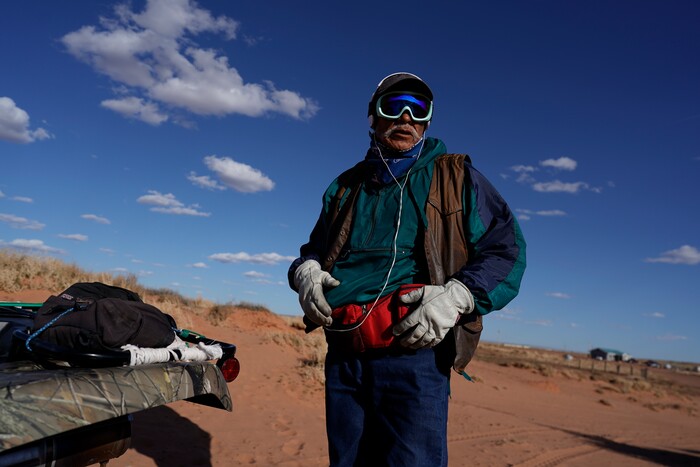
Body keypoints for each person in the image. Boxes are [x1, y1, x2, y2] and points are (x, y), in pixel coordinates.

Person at [288, 72, 526, 466]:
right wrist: (305, 271)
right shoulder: (346, 187)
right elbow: (313, 249)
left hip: (413, 358)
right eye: (393, 106)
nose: (405, 118)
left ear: (428, 121)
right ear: (372, 116)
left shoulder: (456, 176)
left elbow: (507, 250)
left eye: (418, 109)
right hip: (345, 356)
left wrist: (460, 295)